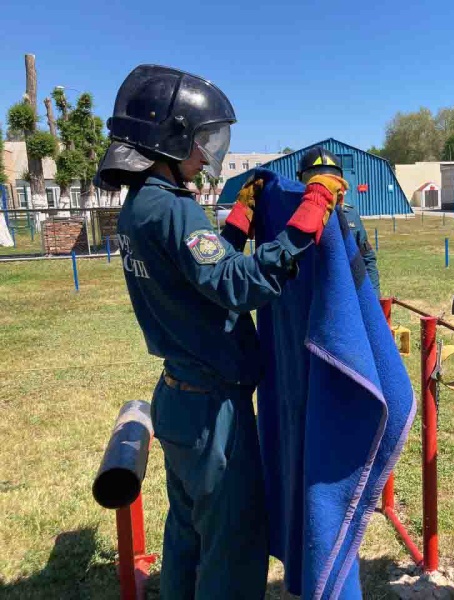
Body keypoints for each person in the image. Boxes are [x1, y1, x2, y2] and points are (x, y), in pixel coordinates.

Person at [94, 64, 347, 599]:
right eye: (203, 139)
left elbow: (201, 273)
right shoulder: (170, 208)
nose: (208, 154)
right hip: (213, 412)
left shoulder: (143, 206)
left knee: (191, 535)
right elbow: (237, 285)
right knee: (232, 545)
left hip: (182, 399)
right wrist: (311, 210)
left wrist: (239, 218)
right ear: (170, 136)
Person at [297, 146, 381, 296]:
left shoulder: (350, 214)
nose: (324, 186)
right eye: (314, 179)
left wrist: (372, 298)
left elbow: (366, 258)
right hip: (307, 296)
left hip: (345, 296)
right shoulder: (294, 216)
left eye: (330, 179)